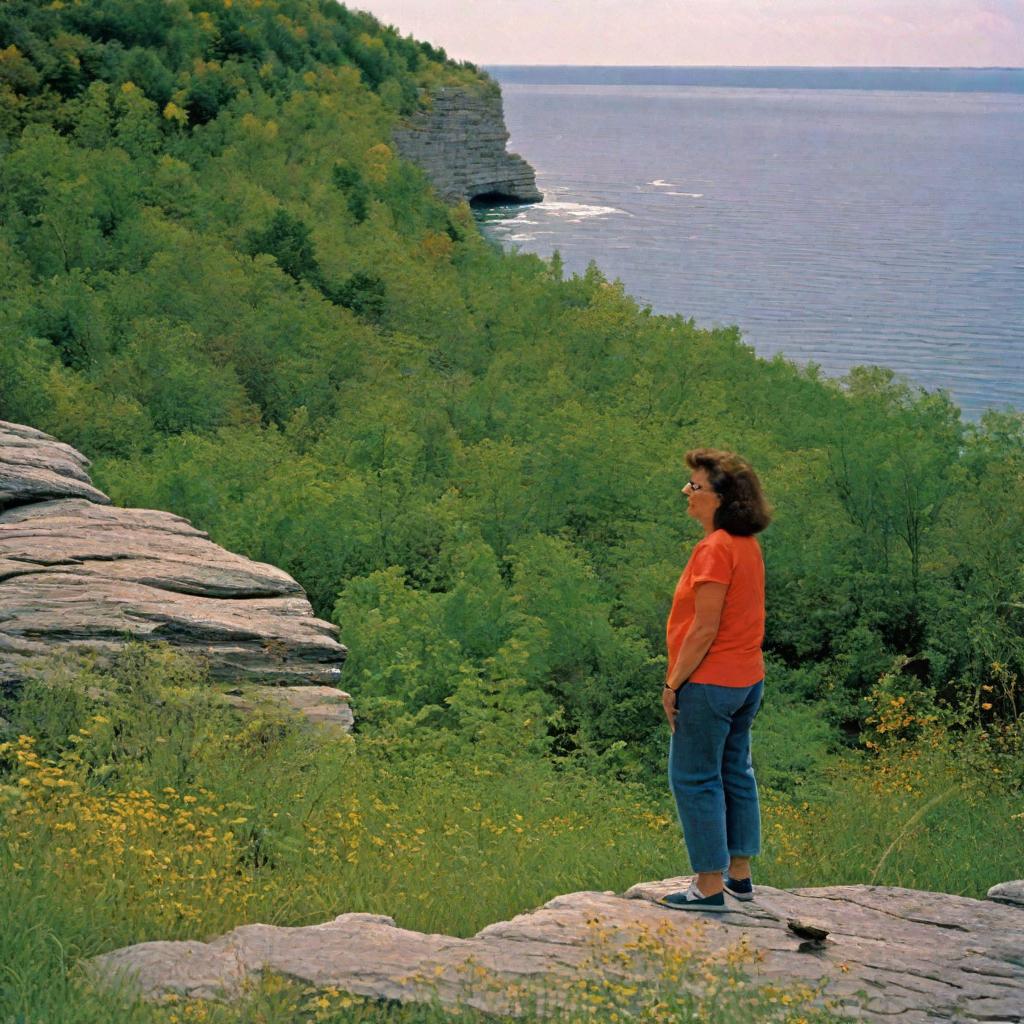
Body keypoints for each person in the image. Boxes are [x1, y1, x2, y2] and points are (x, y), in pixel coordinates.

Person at [659, 448, 772, 912]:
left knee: (695, 779)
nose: (687, 491)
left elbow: (704, 628)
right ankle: (738, 876)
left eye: (695, 486)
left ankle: (708, 886)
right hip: (746, 681)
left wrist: (672, 685)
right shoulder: (746, 546)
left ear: (720, 498)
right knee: (735, 773)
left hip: (709, 684)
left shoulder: (713, 549)